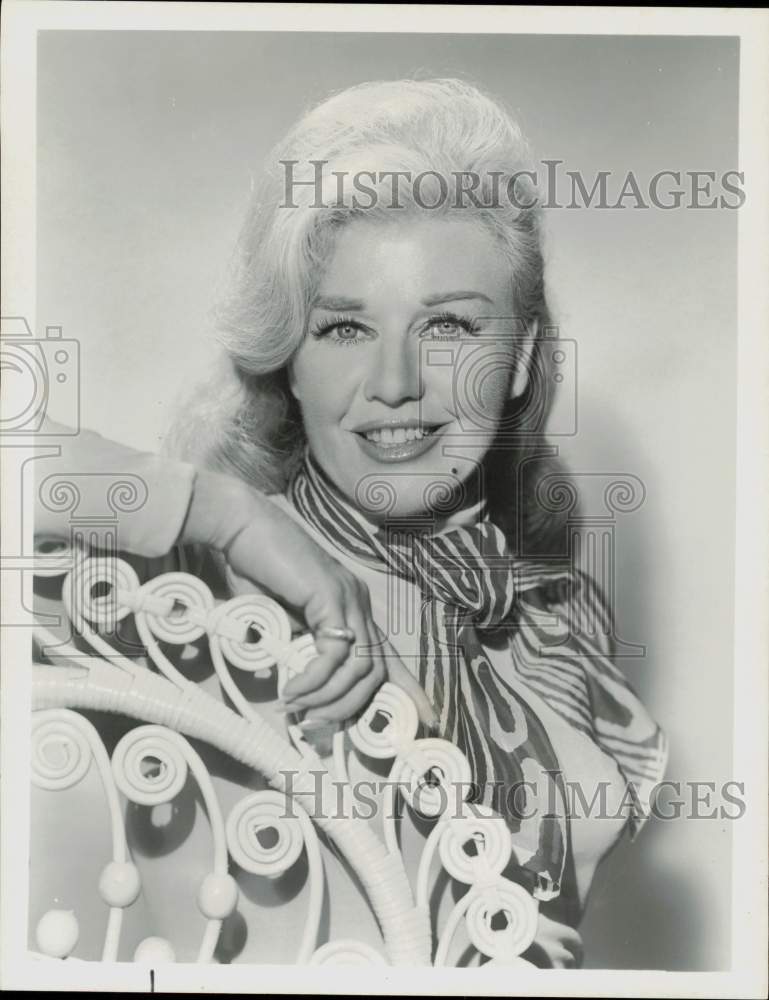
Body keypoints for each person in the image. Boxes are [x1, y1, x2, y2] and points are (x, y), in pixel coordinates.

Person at [31, 78, 666, 967]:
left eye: (446, 324)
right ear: (286, 357)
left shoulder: (553, 631)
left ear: (519, 356)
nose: (397, 383)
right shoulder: (196, 598)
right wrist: (224, 512)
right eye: (343, 330)